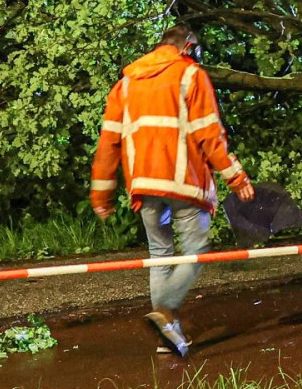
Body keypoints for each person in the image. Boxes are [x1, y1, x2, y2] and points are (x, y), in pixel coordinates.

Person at [90, 25, 253, 356]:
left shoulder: (125, 85)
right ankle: (164, 311)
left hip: (144, 185)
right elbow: (209, 134)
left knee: (159, 255)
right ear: (188, 49)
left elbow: (108, 144)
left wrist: (101, 195)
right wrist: (236, 177)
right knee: (196, 250)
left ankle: (167, 335)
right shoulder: (191, 76)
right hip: (184, 182)